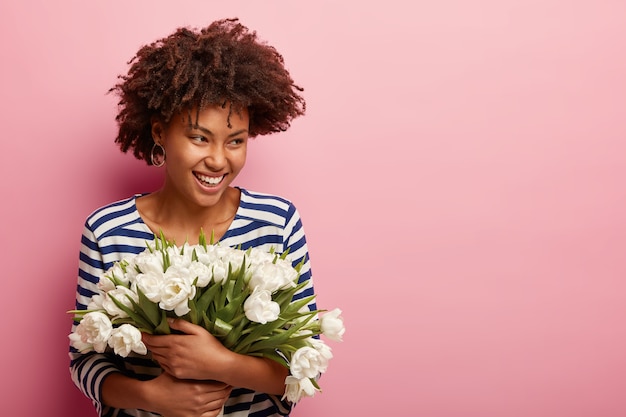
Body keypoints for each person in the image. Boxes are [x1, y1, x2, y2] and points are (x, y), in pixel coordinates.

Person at [69, 18, 315, 417]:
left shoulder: (276, 220)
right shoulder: (108, 230)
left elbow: (306, 360)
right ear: (160, 132)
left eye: (235, 141)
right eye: (199, 137)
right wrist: (153, 397)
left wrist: (220, 363)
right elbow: (84, 359)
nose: (219, 160)